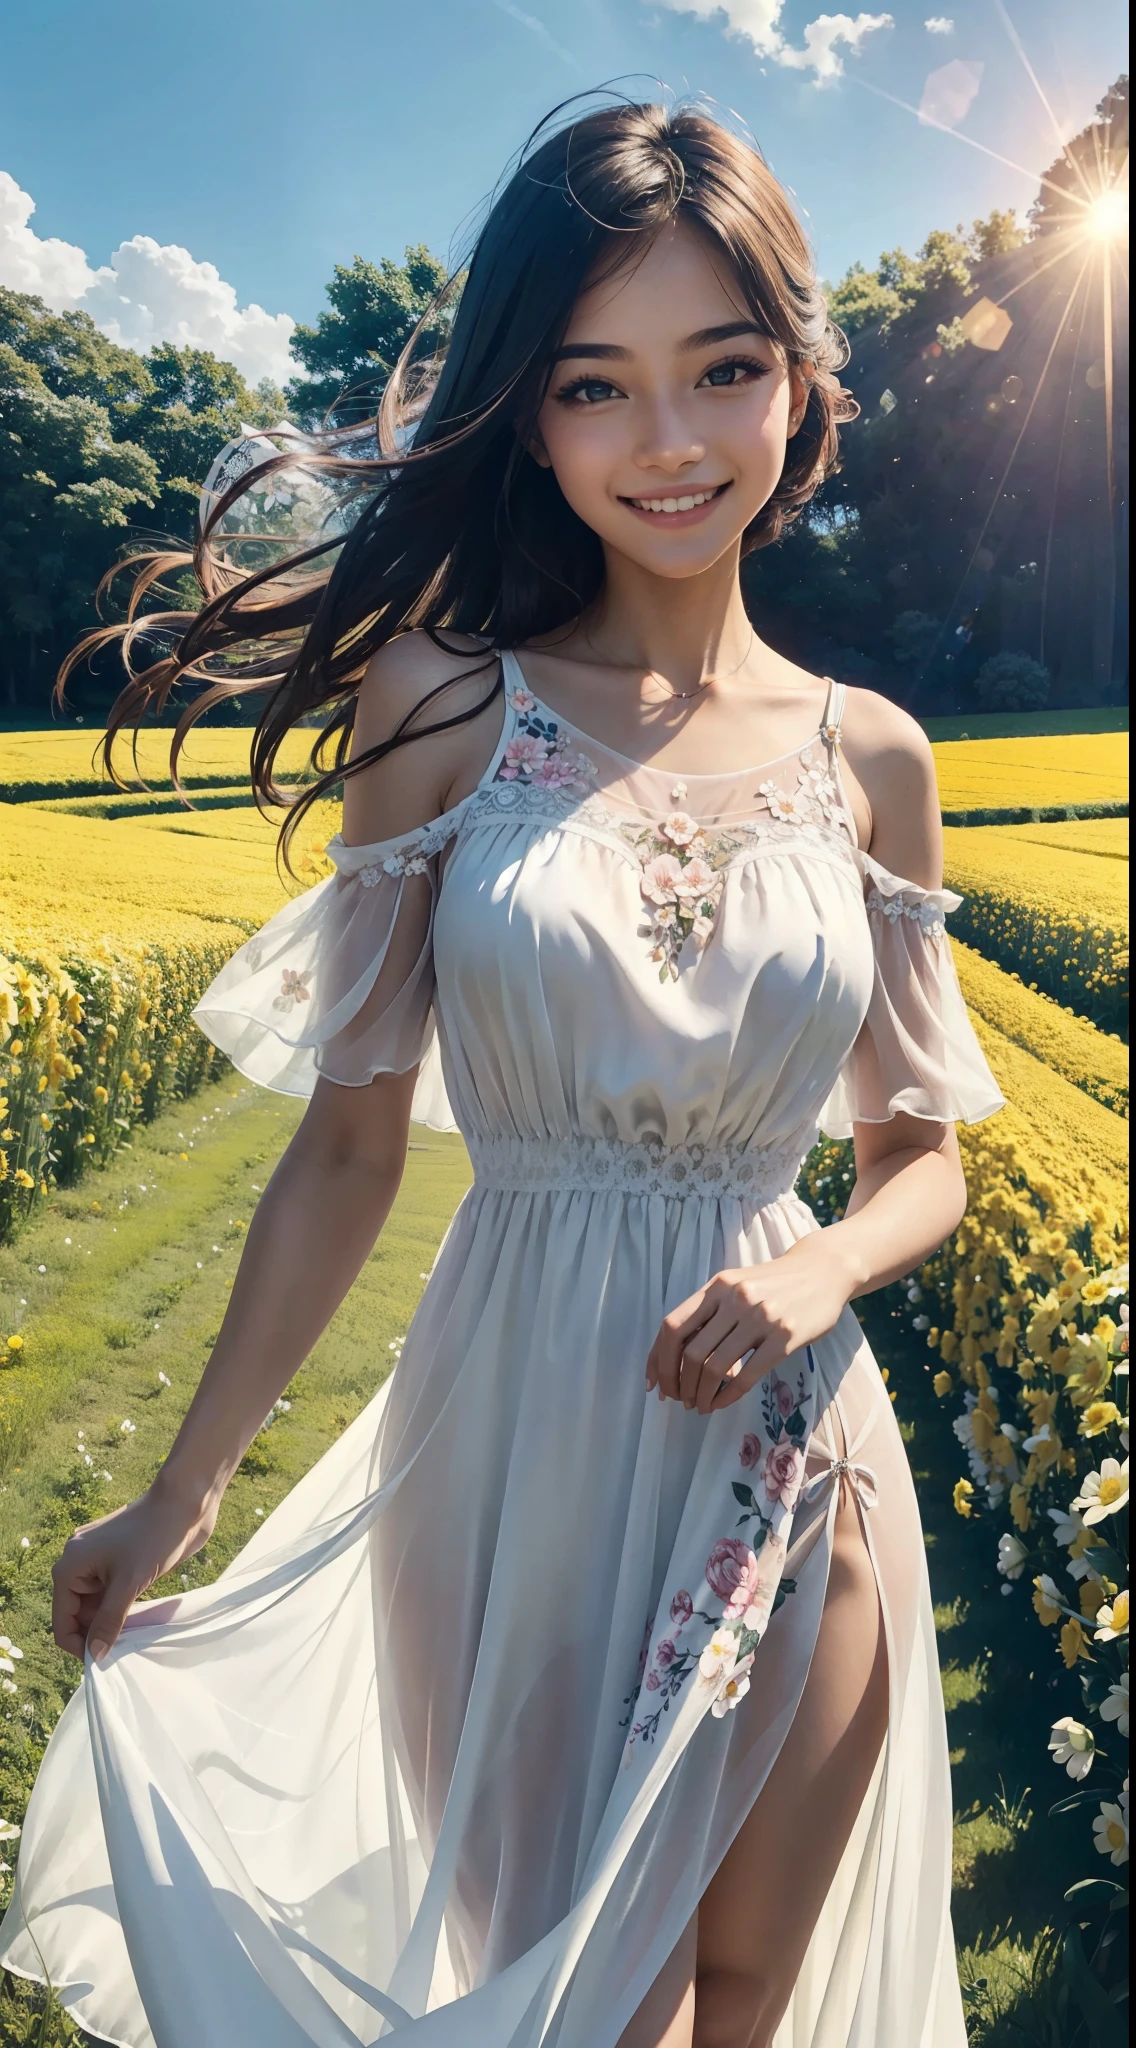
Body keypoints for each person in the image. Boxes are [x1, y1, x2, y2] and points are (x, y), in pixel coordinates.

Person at [2, 100, 1004, 2048]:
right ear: (530, 422)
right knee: (572, 1999)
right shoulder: (448, 705)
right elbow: (345, 1153)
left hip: (788, 1442)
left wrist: (808, 1272)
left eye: (723, 368)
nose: (670, 442)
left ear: (800, 383)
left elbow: (920, 1157)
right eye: (594, 385)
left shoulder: (872, 754)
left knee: (739, 1993)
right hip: (509, 1450)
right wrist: (189, 1491)